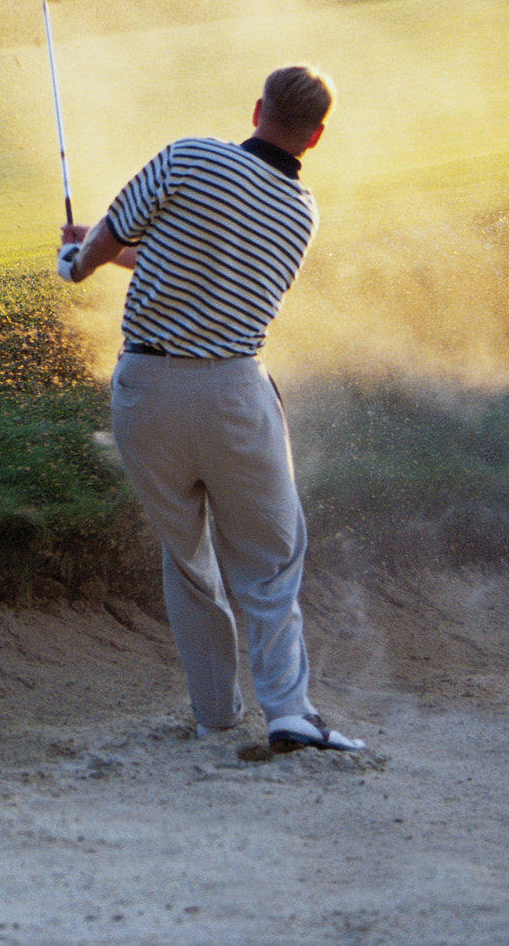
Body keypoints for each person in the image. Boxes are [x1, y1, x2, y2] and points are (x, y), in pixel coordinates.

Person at [55, 65, 365, 754]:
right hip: (232, 394)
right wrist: (105, 250)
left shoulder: (190, 156)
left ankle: (215, 716)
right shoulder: (300, 211)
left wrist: (79, 262)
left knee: (188, 559)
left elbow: (121, 237)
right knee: (270, 557)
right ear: (314, 137)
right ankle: (287, 710)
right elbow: (200, 261)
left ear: (257, 108)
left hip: (145, 390)